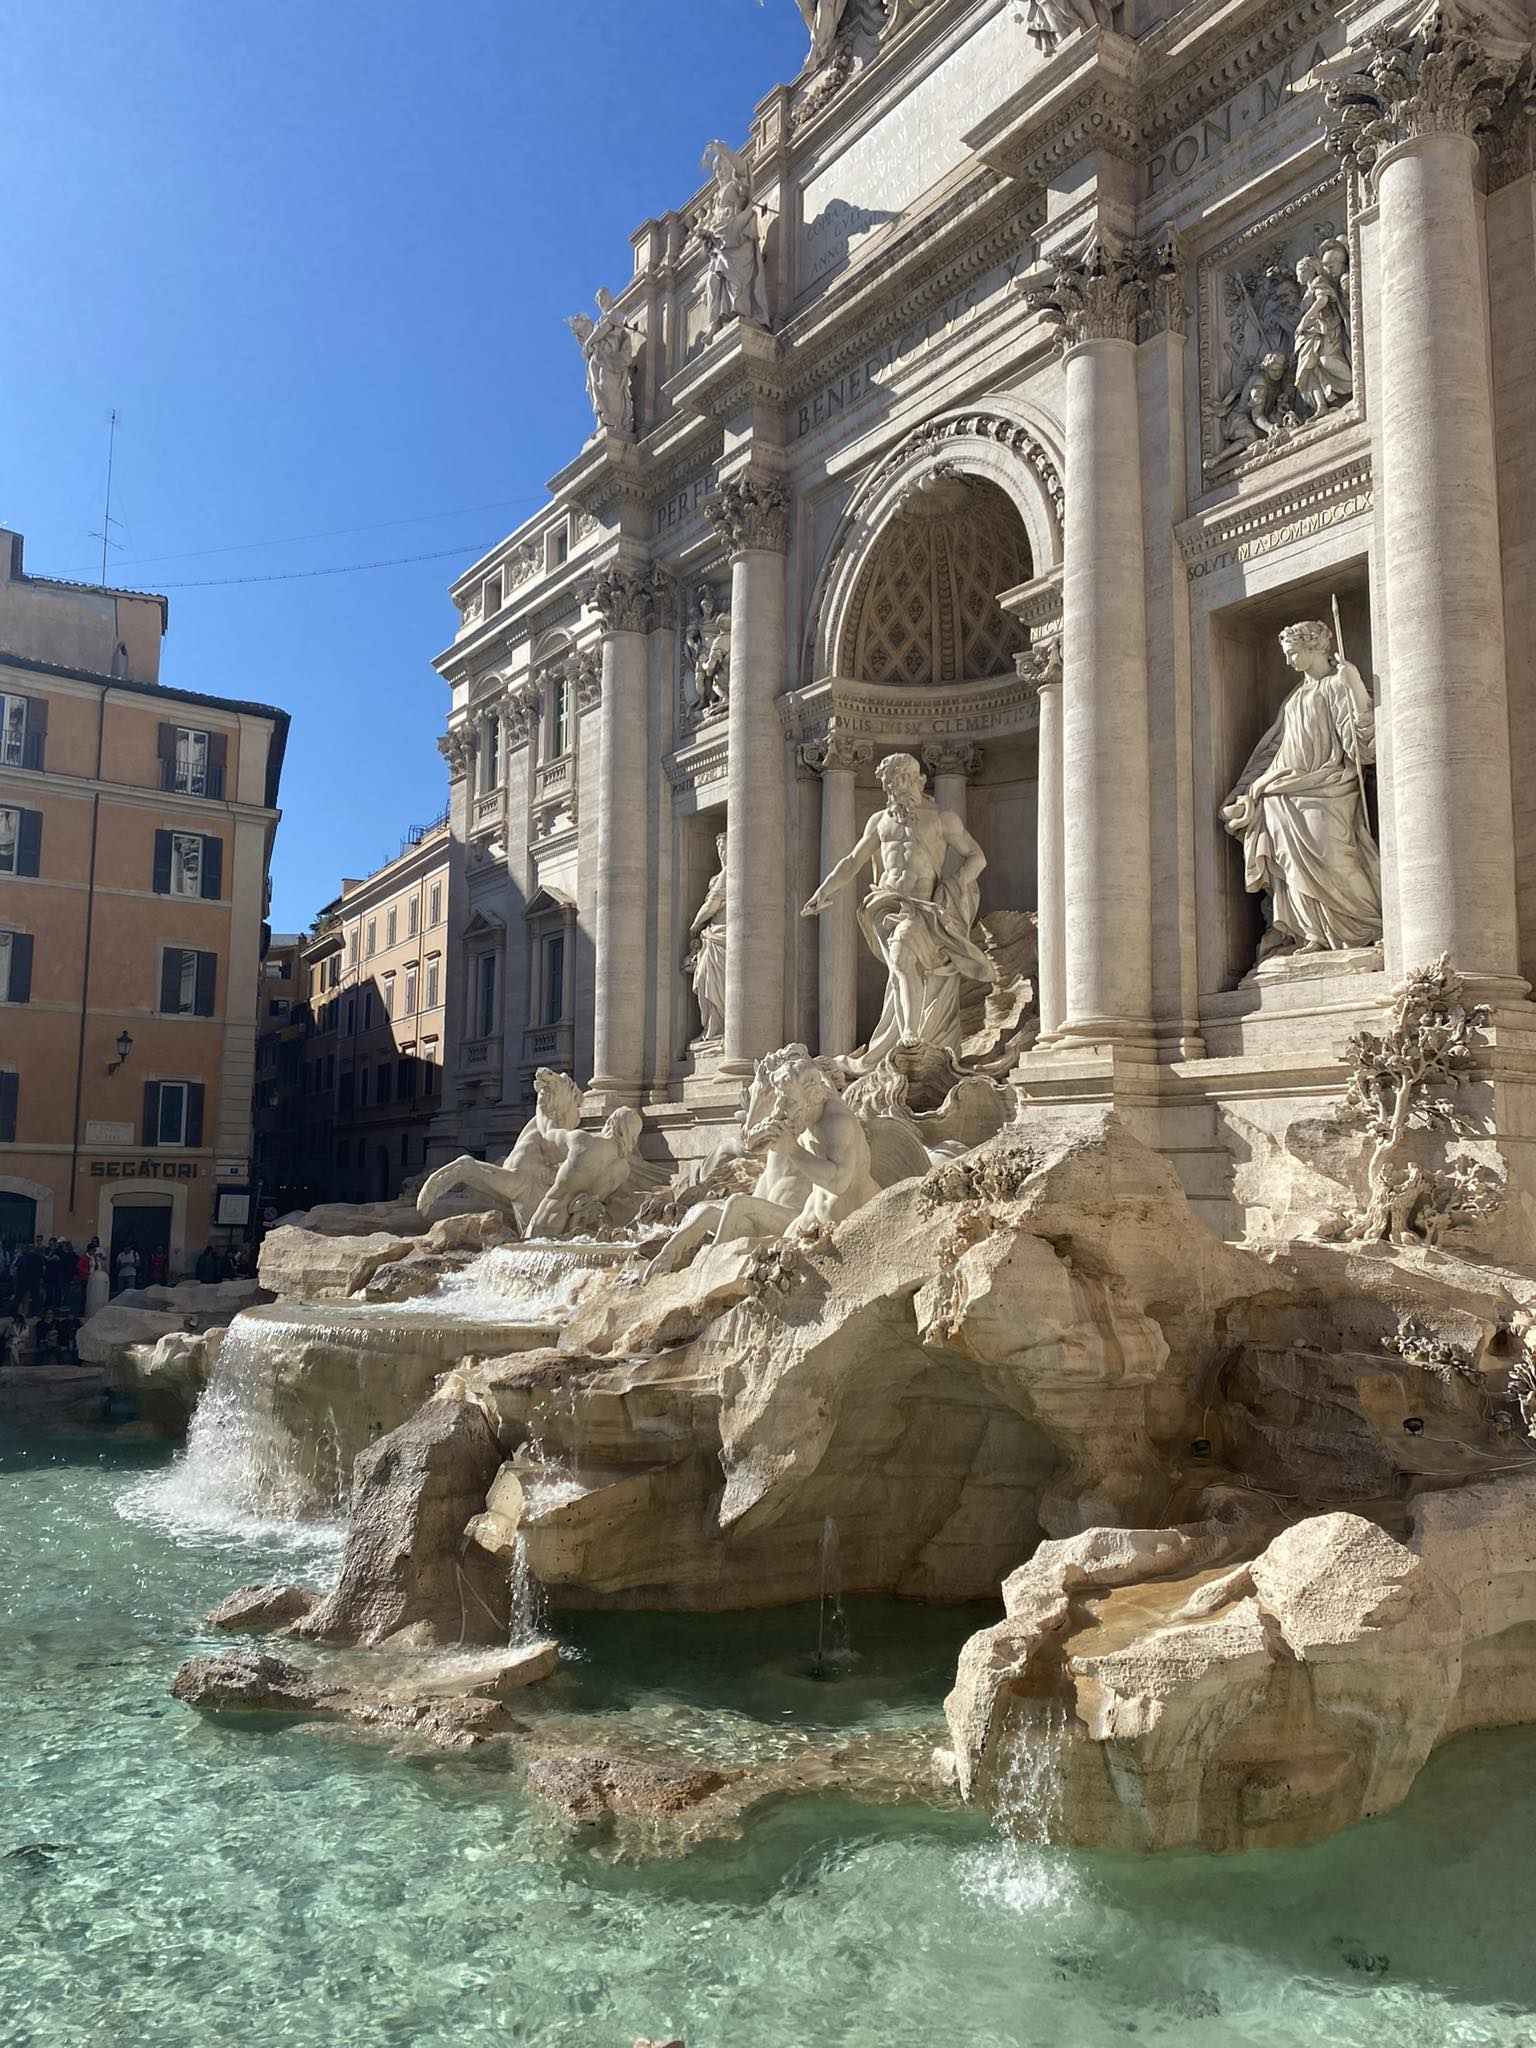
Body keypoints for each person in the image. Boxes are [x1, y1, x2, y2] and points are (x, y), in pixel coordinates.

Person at [802, 751, 996, 1066]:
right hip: (886, 904)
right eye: (890, 781)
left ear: (916, 779)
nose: (894, 786)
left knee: (902, 959)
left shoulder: (942, 817)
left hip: (923, 906)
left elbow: (977, 857)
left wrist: (954, 884)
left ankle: (909, 1032)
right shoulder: (879, 822)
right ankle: (907, 1032)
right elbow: (852, 861)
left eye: (900, 779)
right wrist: (824, 890)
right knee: (900, 964)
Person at [1222, 615, 1381, 956]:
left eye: (1292, 652)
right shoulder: (1294, 697)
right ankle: (1311, 933)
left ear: (1313, 647)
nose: (1287, 661)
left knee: (1334, 857)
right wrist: (1252, 785)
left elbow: (1362, 746)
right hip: (1283, 791)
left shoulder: (1338, 685)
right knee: (1290, 864)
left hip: (1328, 786)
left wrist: (1354, 684)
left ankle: (1367, 926)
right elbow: (1276, 748)